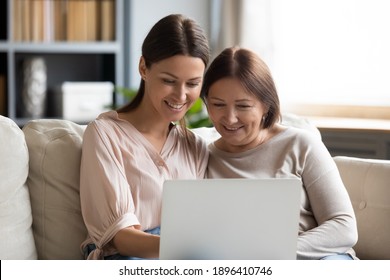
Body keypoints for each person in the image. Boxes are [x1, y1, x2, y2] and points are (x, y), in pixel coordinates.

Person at [200, 46, 358, 260]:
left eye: (243, 106)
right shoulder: (202, 157)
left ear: (265, 105)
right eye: (218, 104)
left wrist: (271, 253)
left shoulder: (301, 145)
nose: (230, 118)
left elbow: (343, 227)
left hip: (319, 258)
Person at [79, 14, 210, 260]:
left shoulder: (195, 146)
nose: (181, 96)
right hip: (127, 258)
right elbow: (119, 237)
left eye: (193, 83)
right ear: (143, 68)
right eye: (169, 81)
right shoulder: (105, 134)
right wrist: (186, 249)